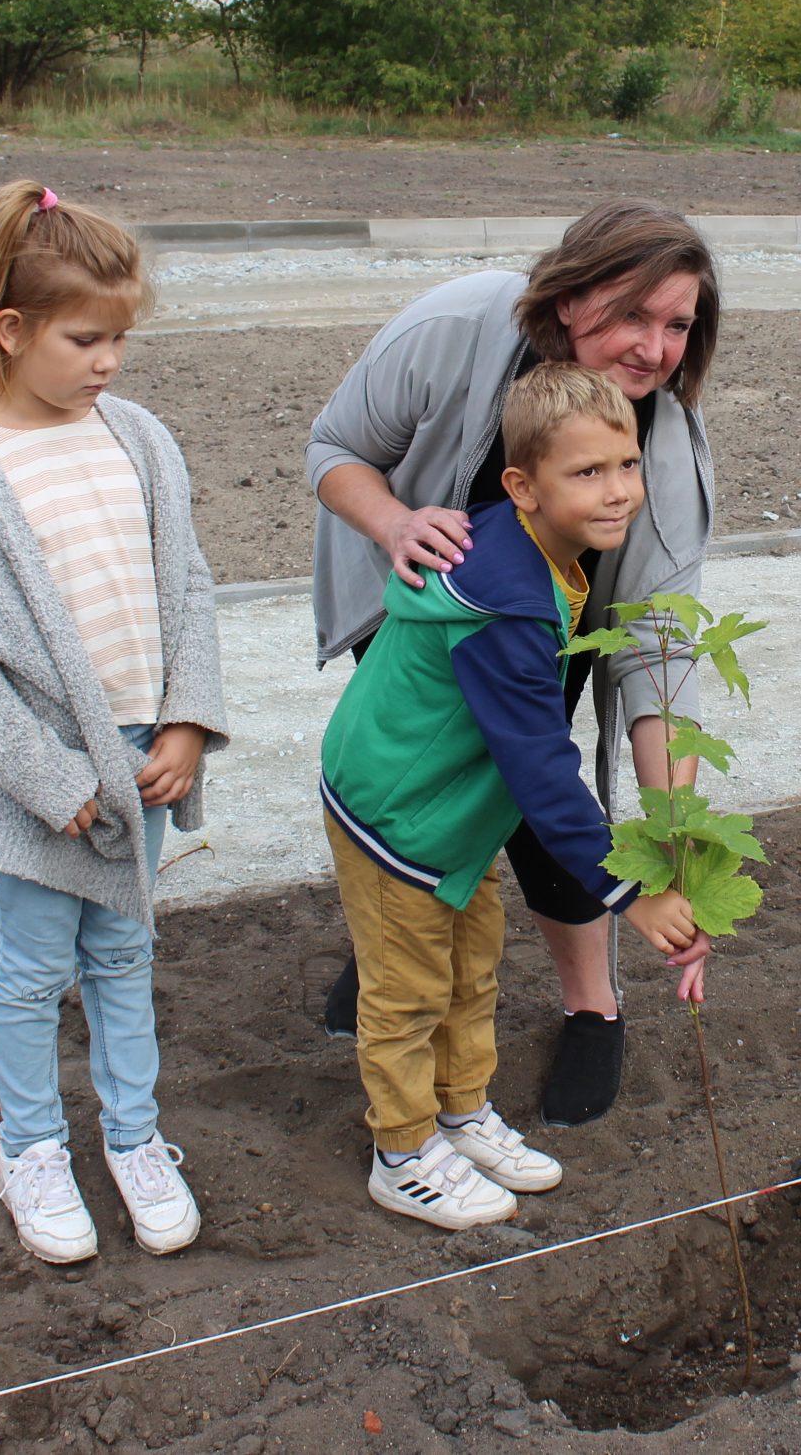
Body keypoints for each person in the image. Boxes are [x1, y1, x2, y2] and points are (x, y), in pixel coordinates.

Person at [307, 199, 718, 1127]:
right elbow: (335, 450)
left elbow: (659, 660)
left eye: (677, 324)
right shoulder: (457, 327)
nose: (654, 347)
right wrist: (396, 523)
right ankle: (395, 949)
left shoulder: (668, 460)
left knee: (537, 786)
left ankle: (592, 1005)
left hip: (552, 621)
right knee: (426, 777)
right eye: (630, 313)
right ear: (570, 298)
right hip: (415, 586)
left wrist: (671, 847)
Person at [0, 181, 230, 1264]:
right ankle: (32, 1147)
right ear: (13, 330)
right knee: (37, 968)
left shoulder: (137, 438)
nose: (107, 362)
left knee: (126, 954)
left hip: (140, 764)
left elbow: (186, 584)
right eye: (84, 338)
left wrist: (185, 723)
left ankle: (135, 1138)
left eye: (120, 339)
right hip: (42, 782)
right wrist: (50, 781)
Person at [320, 366, 706, 1229]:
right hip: (397, 812)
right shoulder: (506, 600)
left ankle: (460, 1112)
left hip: (451, 810)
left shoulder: (539, 553)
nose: (617, 493)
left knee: (472, 961)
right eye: (587, 472)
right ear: (521, 487)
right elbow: (540, 766)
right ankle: (404, 1149)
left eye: (627, 465)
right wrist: (630, 891)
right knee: (408, 986)